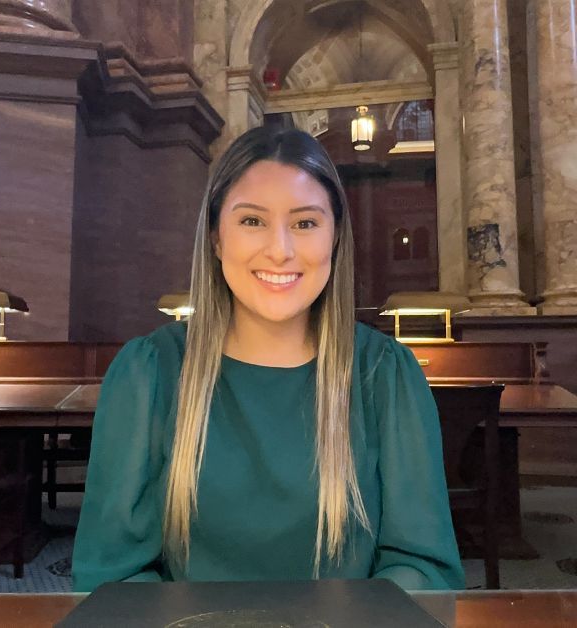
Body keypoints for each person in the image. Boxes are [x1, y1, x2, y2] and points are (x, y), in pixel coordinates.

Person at [71, 125, 465, 592]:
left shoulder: (385, 375)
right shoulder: (148, 374)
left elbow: (422, 567)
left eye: (305, 223)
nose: (280, 251)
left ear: (335, 238)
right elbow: (110, 577)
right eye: (252, 221)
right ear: (216, 238)